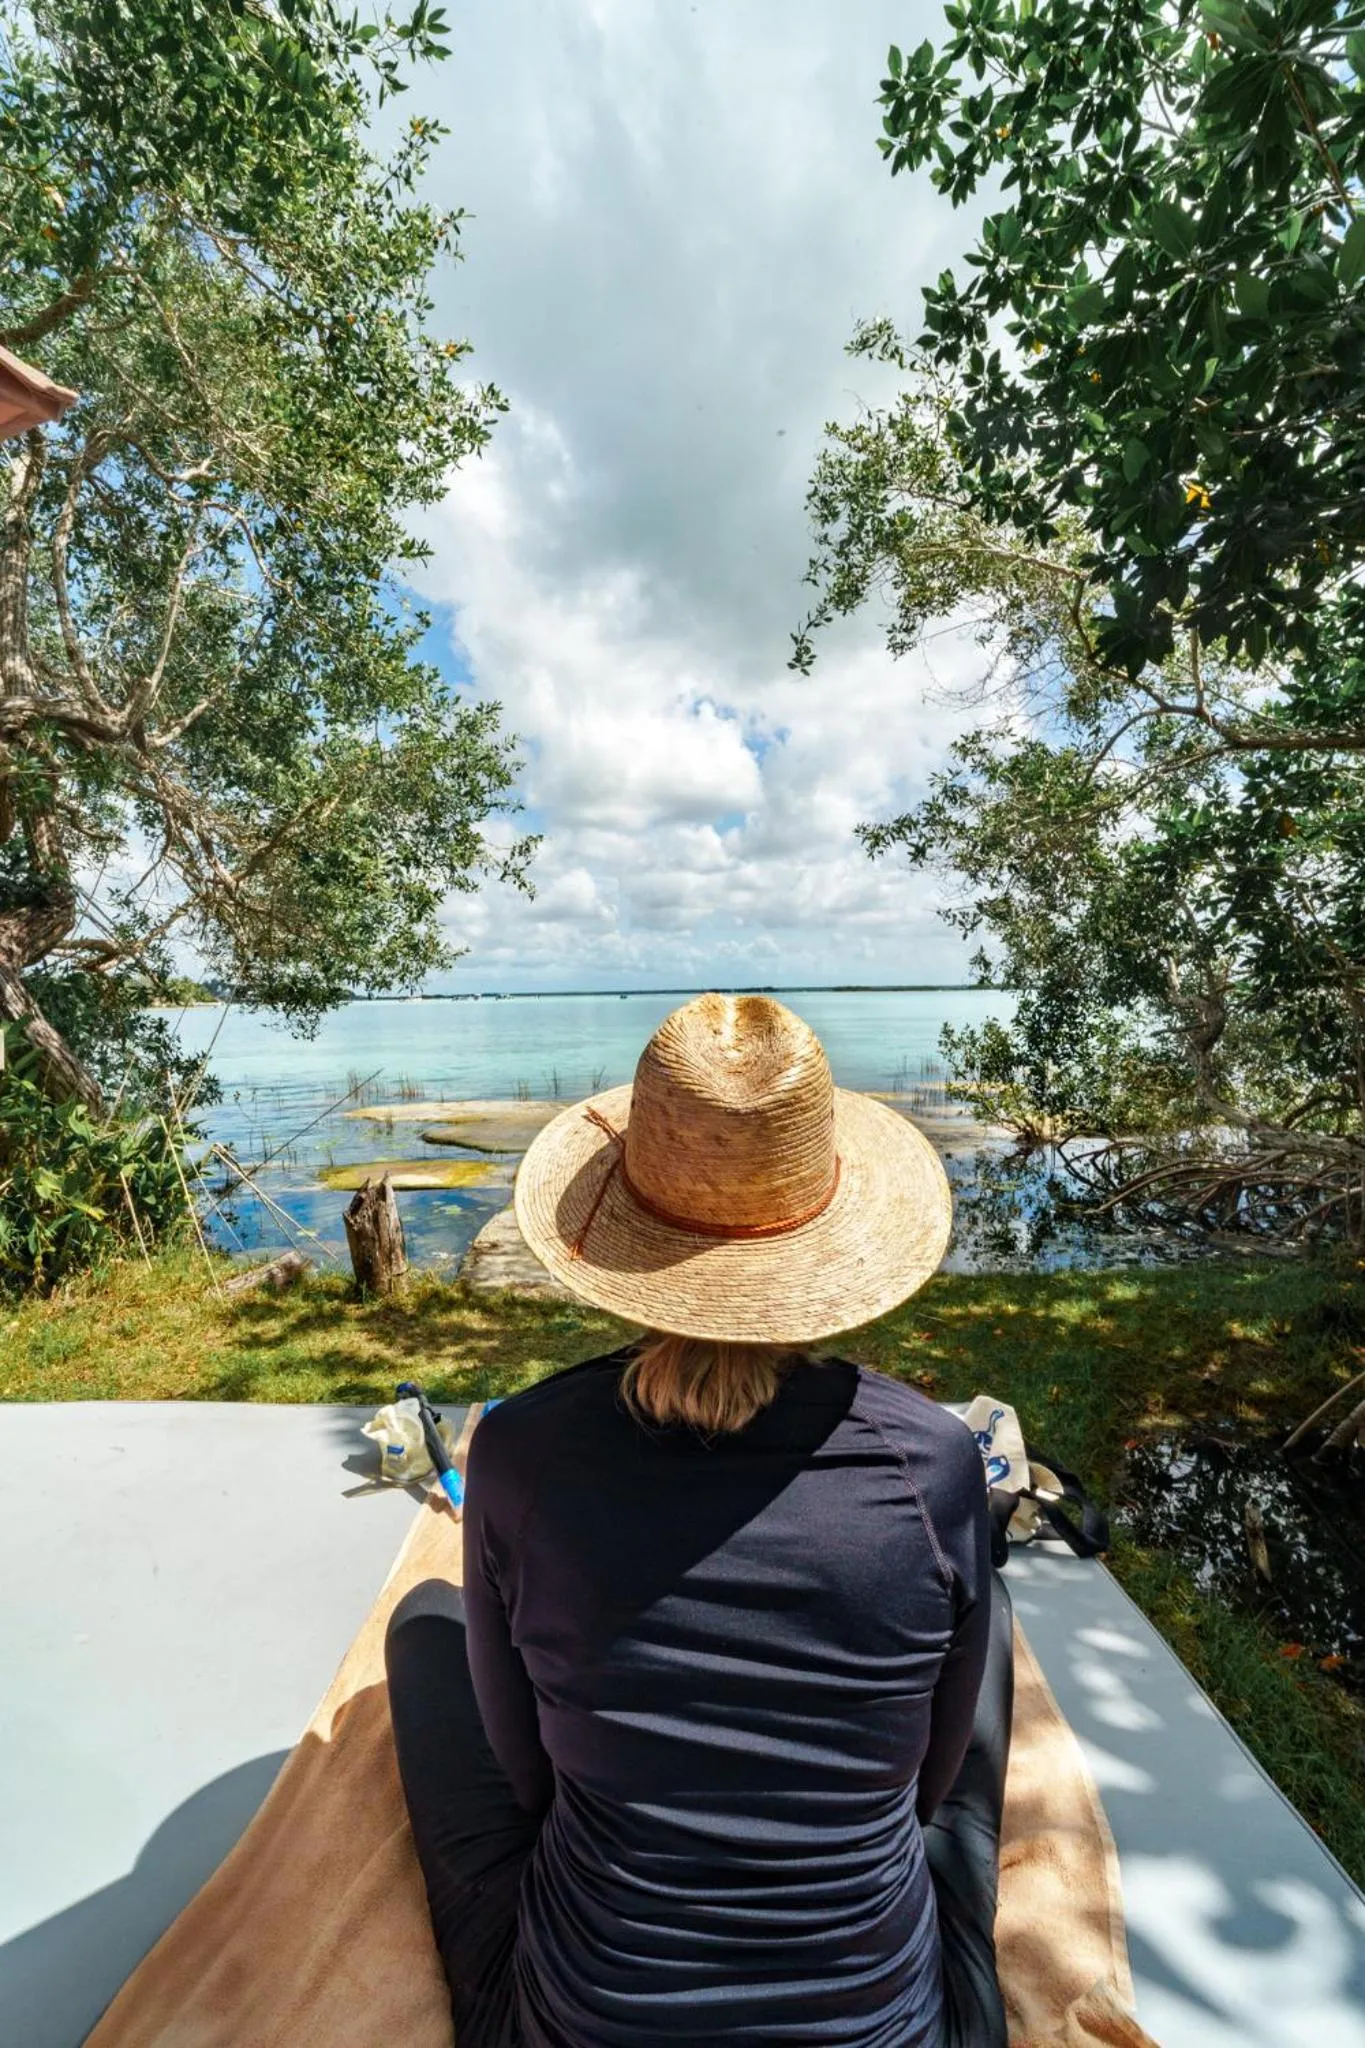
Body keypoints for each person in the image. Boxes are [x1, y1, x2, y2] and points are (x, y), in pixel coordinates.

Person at [386, 993, 1013, 2047]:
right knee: (986, 1632)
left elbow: (532, 1784)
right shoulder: (935, 1465)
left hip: (582, 2020)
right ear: (829, 1239)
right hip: (883, 2026)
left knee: (421, 1625)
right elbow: (926, 1793)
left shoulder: (520, 1453)